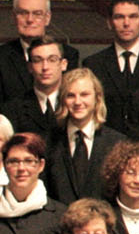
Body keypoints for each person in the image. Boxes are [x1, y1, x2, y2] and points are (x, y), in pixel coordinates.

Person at [49, 68, 120, 202]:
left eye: (84, 94)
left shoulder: (116, 143)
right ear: (62, 99)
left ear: (97, 98)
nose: (77, 102)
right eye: (70, 95)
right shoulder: (48, 143)